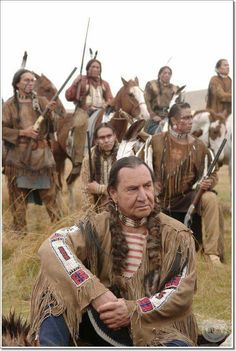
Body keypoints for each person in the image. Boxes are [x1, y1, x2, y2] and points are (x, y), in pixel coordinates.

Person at [29, 156, 198, 347]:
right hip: (103, 319)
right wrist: (95, 292)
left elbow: (180, 291)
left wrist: (132, 310)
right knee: (55, 280)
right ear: (113, 193)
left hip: (156, 328)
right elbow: (54, 244)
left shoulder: (178, 236)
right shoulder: (95, 226)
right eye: (133, 189)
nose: (143, 196)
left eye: (147, 186)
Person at [151, 102, 224, 265]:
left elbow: (213, 174)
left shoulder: (200, 146)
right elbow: (142, 166)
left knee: (211, 199)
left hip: (189, 198)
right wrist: (152, 182)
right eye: (185, 118)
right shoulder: (155, 142)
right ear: (173, 121)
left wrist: (208, 182)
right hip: (161, 200)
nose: (190, 121)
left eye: (191, 117)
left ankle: (212, 253)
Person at [2, 69, 62, 235]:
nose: (30, 83)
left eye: (32, 80)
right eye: (26, 80)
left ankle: (60, 236)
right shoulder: (9, 105)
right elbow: (2, 129)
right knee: (18, 205)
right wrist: (23, 132)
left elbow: (53, 127)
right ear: (17, 84)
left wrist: (51, 114)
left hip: (42, 158)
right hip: (18, 160)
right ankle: (20, 242)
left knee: (52, 201)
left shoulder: (41, 101)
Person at [65, 58, 114, 184]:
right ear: (87, 69)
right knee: (81, 123)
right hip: (84, 111)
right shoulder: (82, 80)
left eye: (98, 67)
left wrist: (108, 103)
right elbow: (68, 96)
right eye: (92, 67)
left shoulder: (105, 84)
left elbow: (110, 99)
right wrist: (75, 83)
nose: (95, 69)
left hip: (101, 111)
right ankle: (79, 159)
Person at [79, 122, 118, 213]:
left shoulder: (125, 154)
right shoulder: (90, 157)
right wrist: (90, 212)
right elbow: (85, 187)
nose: (106, 140)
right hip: (99, 209)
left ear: (115, 136)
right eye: (102, 137)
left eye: (109, 136)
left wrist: (100, 189)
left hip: (122, 207)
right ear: (96, 140)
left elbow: (127, 187)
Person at [144, 66, 181, 135]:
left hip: (170, 118)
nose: (167, 75)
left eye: (169, 73)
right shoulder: (152, 85)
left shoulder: (175, 88)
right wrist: (153, 115)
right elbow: (147, 101)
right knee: (155, 135)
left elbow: (179, 106)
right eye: (164, 73)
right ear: (159, 74)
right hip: (155, 118)